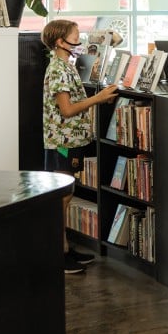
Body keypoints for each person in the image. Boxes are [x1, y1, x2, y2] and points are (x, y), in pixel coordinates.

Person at [42, 19, 119, 274]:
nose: (80, 39)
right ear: (60, 42)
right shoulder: (57, 70)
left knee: (66, 194)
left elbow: (104, 45)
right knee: (61, 198)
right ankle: (58, 254)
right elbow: (66, 109)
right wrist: (98, 99)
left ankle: (64, 248)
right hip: (62, 141)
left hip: (70, 139)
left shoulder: (66, 64)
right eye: (75, 35)